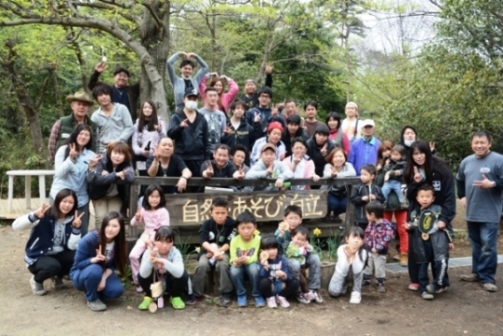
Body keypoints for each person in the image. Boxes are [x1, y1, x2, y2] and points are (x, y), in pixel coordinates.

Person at [403, 140, 455, 291]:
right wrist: (416, 183)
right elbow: (409, 196)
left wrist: (445, 218)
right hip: (417, 213)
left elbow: (450, 198)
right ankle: (417, 279)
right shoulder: (410, 170)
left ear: (428, 152)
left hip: (438, 213)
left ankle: (441, 282)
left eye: (422, 153)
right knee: (417, 247)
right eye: (415, 154)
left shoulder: (441, 170)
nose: (419, 157)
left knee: (438, 249)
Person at [457, 131, 503, 292]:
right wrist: (462, 196)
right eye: (476, 142)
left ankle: (488, 278)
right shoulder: (466, 161)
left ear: (489, 144)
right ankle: (477, 272)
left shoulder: (498, 160)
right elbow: (460, 180)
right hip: (472, 212)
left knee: (488, 246)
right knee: (476, 245)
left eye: (482, 142)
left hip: (490, 212)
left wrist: (493, 184)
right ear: (472, 144)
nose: (479, 145)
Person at [12, 189, 82, 295]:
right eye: (64, 201)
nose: (67, 205)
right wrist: (34, 216)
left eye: (71, 202)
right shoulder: (44, 215)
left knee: (79, 255)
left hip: (57, 254)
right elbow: (15, 226)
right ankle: (37, 280)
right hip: (38, 256)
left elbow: (72, 246)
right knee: (53, 266)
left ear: (74, 205)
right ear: (57, 201)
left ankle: (58, 276)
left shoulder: (73, 220)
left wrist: (76, 229)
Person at [70, 211, 127, 311]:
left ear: (120, 228)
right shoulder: (89, 239)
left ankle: (91, 289)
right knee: (95, 269)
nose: (110, 229)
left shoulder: (119, 243)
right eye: (108, 225)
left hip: (101, 272)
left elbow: (113, 266)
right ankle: (92, 298)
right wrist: (94, 260)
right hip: (80, 274)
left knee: (117, 291)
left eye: (114, 226)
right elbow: (78, 264)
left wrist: (103, 278)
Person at [50, 124, 99, 236]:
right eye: (81, 133)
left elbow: (90, 181)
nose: (83, 137)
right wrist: (71, 159)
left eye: (87, 135)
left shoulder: (91, 155)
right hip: (60, 197)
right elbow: (59, 174)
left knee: (80, 232)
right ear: (75, 135)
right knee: (56, 229)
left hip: (81, 200)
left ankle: (77, 253)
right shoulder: (63, 150)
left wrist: (91, 168)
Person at [406, 184, 452, 300]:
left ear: (433, 198)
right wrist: (409, 228)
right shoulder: (414, 213)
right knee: (422, 266)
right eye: (422, 196)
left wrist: (450, 240)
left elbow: (447, 225)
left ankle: (437, 284)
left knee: (440, 264)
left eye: (427, 196)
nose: (425, 199)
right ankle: (424, 289)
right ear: (417, 198)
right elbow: (413, 227)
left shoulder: (438, 210)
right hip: (421, 244)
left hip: (437, 243)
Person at [192, 198, 236, 306]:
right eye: (217, 213)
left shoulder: (232, 224)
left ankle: (226, 293)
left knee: (222, 264)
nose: (220, 216)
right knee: (202, 265)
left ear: (227, 212)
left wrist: (217, 252)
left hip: (224, 252)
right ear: (211, 213)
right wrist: (213, 251)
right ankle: (197, 293)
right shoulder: (207, 224)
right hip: (207, 252)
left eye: (223, 213)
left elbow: (230, 242)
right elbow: (203, 241)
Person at [274, 205, 322, 304]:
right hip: (286, 259)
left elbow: (307, 248)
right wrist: (280, 235)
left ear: (300, 220)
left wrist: (308, 247)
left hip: (301, 257)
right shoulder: (281, 231)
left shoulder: (301, 231)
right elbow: (276, 246)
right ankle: (298, 292)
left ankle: (314, 289)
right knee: (295, 264)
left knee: (315, 258)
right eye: (290, 218)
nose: (293, 221)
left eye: (296, 218)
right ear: (284, 219)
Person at [137, 226, 190, 311]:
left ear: (172, 243)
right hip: (154, 282)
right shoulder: (149, 252)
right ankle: (149, 296)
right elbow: (143, 274)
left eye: (168, 242)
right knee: (141, 275)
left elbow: (180, 273)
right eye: (161, 241)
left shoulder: (175, 252)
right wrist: (151, 260)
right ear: (155, 241)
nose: (164, 246)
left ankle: (175, 296)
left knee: (184, 274)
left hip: (170, 283)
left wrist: (163, 262)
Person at [129, 185, 170, 292]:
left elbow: (164, 229)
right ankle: (138, 280)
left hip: (158, 239)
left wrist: (151, 242)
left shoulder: (163, 211)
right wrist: (137, 217)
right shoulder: (143, 210)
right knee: (133, 255)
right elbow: (132, 223)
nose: (154, 199)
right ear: (147, 197)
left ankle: (153, 281)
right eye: (152, 196)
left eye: (157, 196)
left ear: (161, 198)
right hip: (145, 236)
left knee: (149, 259)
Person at [167, 88, 211, 185]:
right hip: (181, 158)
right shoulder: (176, 116)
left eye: (194, 99)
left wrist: (207, 159)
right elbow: (170, 135)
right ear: (184, 99)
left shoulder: (202, 118)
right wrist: (180, 127)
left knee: (198, 189)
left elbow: (206, 141)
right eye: (189, 98)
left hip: (199, 159)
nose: (192, 101)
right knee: (181, 187)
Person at [375, 141, 408, 266]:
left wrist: (394, 173)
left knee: (403, 229)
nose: (388, 153)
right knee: (384, 230)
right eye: (385, 151)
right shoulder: (381, 165)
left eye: (390, 150)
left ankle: (404, 253)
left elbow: (406, 175)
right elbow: (377, 184)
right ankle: (383, 252)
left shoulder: (403, 164)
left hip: (400, 205)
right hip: (386, 205)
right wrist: (383, 170)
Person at [87, 142, 135, 229]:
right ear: (110, 152)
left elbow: (130, 177)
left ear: (125, 156)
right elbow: (96, 180)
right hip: (100, 195)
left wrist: (106, 176)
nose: (117, 156)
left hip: (116, 196)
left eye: (121, 154)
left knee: (112, 219)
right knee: (100, 218)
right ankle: (99, 240)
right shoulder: (102, 161)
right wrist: (115, 175)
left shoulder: (127, 164)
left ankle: (111, 240)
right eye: (115, 153)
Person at [48, 90, 96, 163]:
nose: (81, 107)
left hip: (85, 165)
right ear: (72, 106)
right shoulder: (61, 122)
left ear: (88, 108)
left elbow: (95, 146)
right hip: (63, 162)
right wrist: (55, 161)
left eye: (84, 105)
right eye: (79, 104)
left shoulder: (93, 126)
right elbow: (52, 144)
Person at [229, 210, 265, 307]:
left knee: (254, 270)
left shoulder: (258, 239)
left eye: (249, 227)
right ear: (237, 228)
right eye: (242, 228)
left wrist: (247, 260)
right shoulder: (234, 240)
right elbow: (232, 257)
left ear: (255, 227)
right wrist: (235, 261)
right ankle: (241, 294)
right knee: (234, 271)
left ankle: (257, 294)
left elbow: (256, 256)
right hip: (239, 264)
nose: (246, 231)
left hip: (252, 263)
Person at [328, 226, 368, 304]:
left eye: (359, 239)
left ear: (363, 242)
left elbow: (357, 271)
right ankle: (344, 284)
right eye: (354, 237)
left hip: (355, 274)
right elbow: (342, 270)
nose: (356, 241)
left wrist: (353, 256)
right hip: (342, 273)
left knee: (360, 271)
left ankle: (356, 291)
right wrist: (347, 257)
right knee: (333, 292)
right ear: (347, 239)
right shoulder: (341, 249)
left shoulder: (363, 252)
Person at [91, 84, 134, 153]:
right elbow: (95, 137)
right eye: (100, 95)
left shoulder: (121, 108)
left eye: (106, 94)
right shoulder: (95, 116)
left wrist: (117, 141)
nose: (104, 97)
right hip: (104, 151)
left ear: (110, 95)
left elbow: (130, 127)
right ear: (96, 99)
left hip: (122, 148)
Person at [259, 235, 299, 309]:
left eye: (274, 248)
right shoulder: (262, 261)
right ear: (262, 251)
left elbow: (289, 276)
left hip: (281, 285)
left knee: (295, 282)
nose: (272, 252)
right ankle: (270, 297)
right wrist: (265, 267)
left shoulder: (282, 259)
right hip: (270, 287)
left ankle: (281, 296)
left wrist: (284, 275)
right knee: (264, 282)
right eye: (268, 249)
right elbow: (261, 277)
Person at [362, 201, 394, 293]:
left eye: (367, 214)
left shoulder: (386, 225)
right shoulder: (371, 223)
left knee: (379, 266)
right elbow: (367, 233)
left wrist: (378, 247)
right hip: (369, 249)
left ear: (372, 215)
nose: (366, 216)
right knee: (368, 264)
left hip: (380, 252)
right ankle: (366, 280)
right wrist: (365, 242)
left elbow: (387, 237)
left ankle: (380, 282)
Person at [131, 100, 166, 176]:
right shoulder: (137, 124)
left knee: (155, 177)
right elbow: (134, 143)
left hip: (156, 156)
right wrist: (141, 151)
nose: (147, 109)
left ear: (153, 109)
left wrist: (159, 131)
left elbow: (165, 140)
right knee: (144, 178)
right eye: (145, 107)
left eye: (150, 108)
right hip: (141, 157)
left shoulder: (160, 122)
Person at [323, 147, 357, 223]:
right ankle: (327, 214)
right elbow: (326, 174)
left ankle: (336, 215)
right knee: (333, 204)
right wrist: (332, 174)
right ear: (331, 158)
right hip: (331, 193)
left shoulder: (348, 165)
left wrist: (337, 175)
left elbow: (353, 173)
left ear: (344, 157)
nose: (338, 159)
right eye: (335, 157)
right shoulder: (328, 166)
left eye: (340, 156)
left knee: (346, 204)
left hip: (343, 193)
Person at [350, 164, 385, 230]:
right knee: (361, 235)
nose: (362, 177)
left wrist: (375, 198)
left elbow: (383, 199)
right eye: (361, 174)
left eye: (365, 174)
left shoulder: (377, 188)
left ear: (372, 176)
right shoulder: (358, 187)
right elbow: (352, 199)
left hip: (375, 218)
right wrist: (361, 199)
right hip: (360, 218)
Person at [284, 227, 312, 298]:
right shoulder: (291, 246)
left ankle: (303, 292)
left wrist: (308, 246)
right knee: (302, 281)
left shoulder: (303, 246)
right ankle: (305, 292)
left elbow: (311, 250)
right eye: (298, 239)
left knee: (304, 277)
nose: (299, 241)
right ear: (292, 237)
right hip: (294, 267)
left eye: (303, 240)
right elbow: (298, 252)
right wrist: (303, 248)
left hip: (302, 266)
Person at [199, 87, 228, 152]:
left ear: (217, 97)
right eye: (210, 96)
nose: (213, 98)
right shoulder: (199, 113)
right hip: (203, 150)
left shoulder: (221, 115)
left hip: (217, 151)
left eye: (215, 95)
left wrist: (226, 134)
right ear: (205, 98)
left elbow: (222, 136)